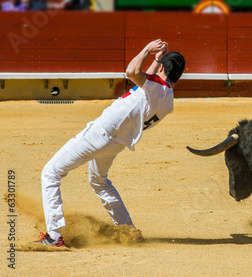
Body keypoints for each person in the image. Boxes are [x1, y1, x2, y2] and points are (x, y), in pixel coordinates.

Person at [34, 39, 185, 247]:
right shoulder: (167, 99)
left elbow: (132, 72)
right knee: (100, 182)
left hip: (100, 134)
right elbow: (143, 84)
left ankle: (54, 235)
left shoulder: (156, 87)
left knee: (50, 173)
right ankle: (128, 230)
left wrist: (147, 50)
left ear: (161, 69)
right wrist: (157, 61)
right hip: (116, 143)